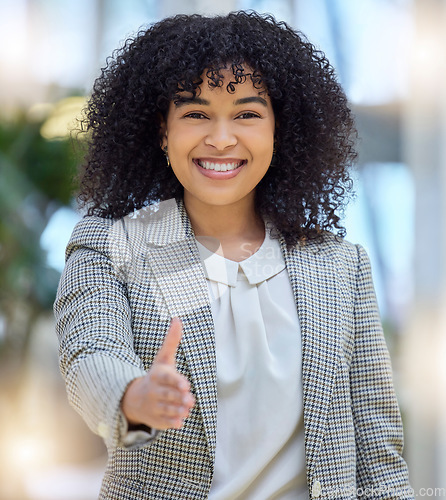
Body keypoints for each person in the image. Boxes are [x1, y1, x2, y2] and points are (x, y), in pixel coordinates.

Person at [54, 11, 413, 500]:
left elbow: (379, 452)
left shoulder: (340, 265)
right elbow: (90, 353)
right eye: (196, 113)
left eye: (246, 114)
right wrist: (134, 397)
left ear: (278, 130)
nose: (221, 139)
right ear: (162, 130)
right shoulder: (114, 245)